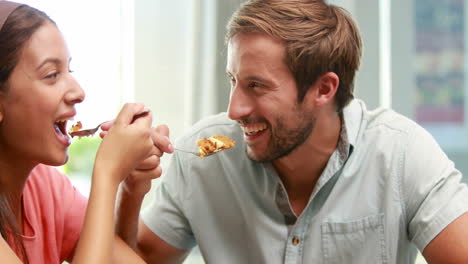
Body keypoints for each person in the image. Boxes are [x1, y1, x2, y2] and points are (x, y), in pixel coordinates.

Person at [116, 0, 468, 263]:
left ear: (323, 89)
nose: (235, 109)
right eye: (233, 80)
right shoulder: (201, 156)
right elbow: (138, 259)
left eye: (256, 85)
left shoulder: (401, 152)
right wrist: (132, 189)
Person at [0, 1, 170, 263]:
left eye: (69, 69)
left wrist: (130, 191)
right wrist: (107, 173)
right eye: (52, 75)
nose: (79, 92)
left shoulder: (47, 189)